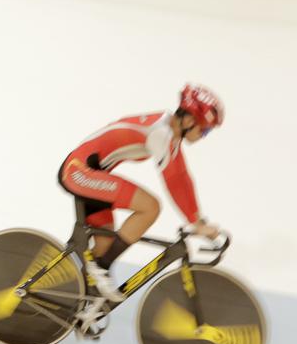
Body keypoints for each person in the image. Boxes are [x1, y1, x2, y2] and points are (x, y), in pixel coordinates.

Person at [58, 84, 225, 301]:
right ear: (189, 120)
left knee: (104, 245)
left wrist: (198, 219)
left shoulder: (169, 131)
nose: (204, 135)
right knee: (150, 207)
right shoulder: (161, 133)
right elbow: (174, 180)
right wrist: (196, 223)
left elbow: (183, 177)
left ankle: (80, 303)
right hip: (80, 172)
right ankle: (101, 267)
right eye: (205, 130)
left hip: (90, 173)